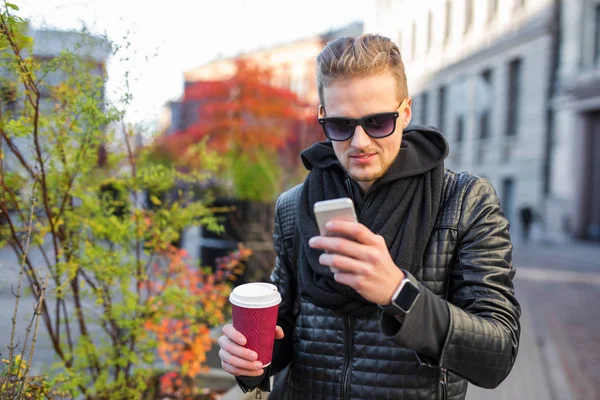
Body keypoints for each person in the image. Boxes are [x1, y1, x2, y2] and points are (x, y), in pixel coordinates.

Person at [218, 34, 521, 400]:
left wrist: (398, 292)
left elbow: (498, 355)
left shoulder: (465, 202)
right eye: (342, 126)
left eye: (378, 122)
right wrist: (250, 362)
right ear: (323, 118)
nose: (360, 142)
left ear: (405, 112)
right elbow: (287, 330)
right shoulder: (292, 205)